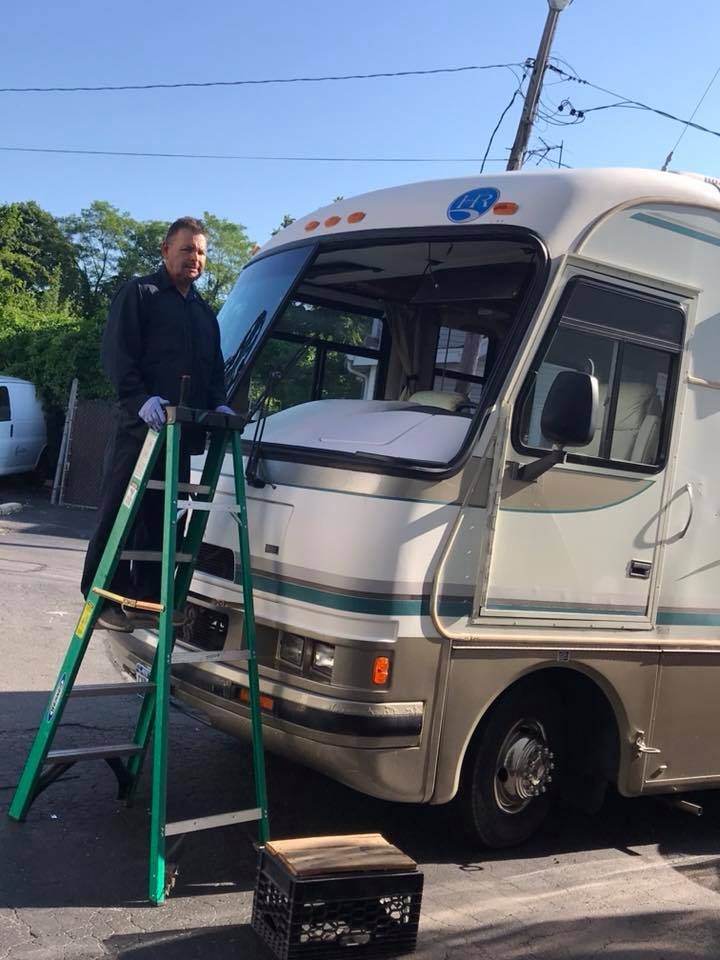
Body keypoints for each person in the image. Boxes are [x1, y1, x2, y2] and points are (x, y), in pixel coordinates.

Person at [81, 216, 233, 631]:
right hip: (140, 429)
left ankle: (147, 600)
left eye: (200, 252)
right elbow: (117, 354)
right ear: (166, 250)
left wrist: (219, 404)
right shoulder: (140, 294)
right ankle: (101, 600)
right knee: (120, 514)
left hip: (180, 435)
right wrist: (139, 399)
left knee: (163, 520)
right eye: (187, 249)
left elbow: (213, 371)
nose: (194, 258)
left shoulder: (204, 314)